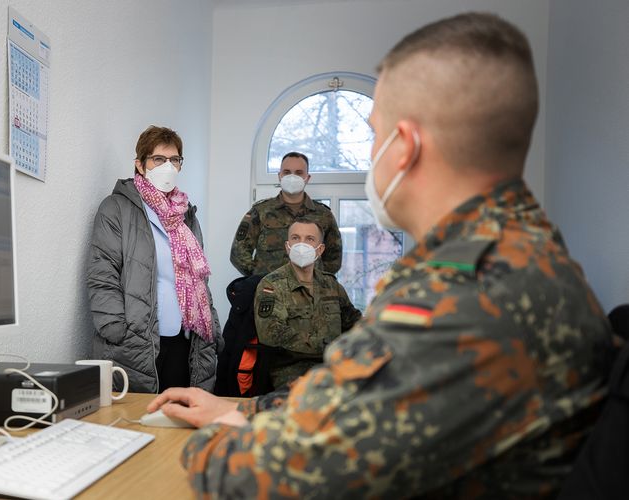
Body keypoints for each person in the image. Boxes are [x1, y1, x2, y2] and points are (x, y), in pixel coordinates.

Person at [147, 12, 615, 497]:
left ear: (407, 146)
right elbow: (357, 397)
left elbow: (278, 475)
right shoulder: (522, 253)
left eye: (375, 135)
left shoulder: (466, 294)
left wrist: (191, 448)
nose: (372, 157)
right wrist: (238, 409)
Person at [86, 126, 220, 393]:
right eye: (159, 159)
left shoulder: (185, 215)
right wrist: (115, 328)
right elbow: (103, 274)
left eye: (174, 159)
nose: (167, 166)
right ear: (140, 164)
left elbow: (199, 280)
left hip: (185, 340)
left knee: (178, 421)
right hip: (137, 341)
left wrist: (213, 328)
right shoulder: (117, 208)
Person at [255, 219, 361, 389]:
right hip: (292, 370)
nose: (301, 244)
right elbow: (271, 333)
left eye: (309, 239)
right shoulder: (271, 285)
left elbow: (354, 321)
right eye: (296, 238)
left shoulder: (331, 284)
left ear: (320, 249)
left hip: (333, 366)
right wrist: (326, 346)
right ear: (287, 245)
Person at [230, 152, 343, 276]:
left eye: (299, 173)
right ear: (280, 176)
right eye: (287, 172)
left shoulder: (323, 215)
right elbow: (238, 252)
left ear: (308, 178)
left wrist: (318, 279)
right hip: (269, 290)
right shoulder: (261, 211)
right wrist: (258, 278)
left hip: (310, 292)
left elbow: (334, 257)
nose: (292, 177)